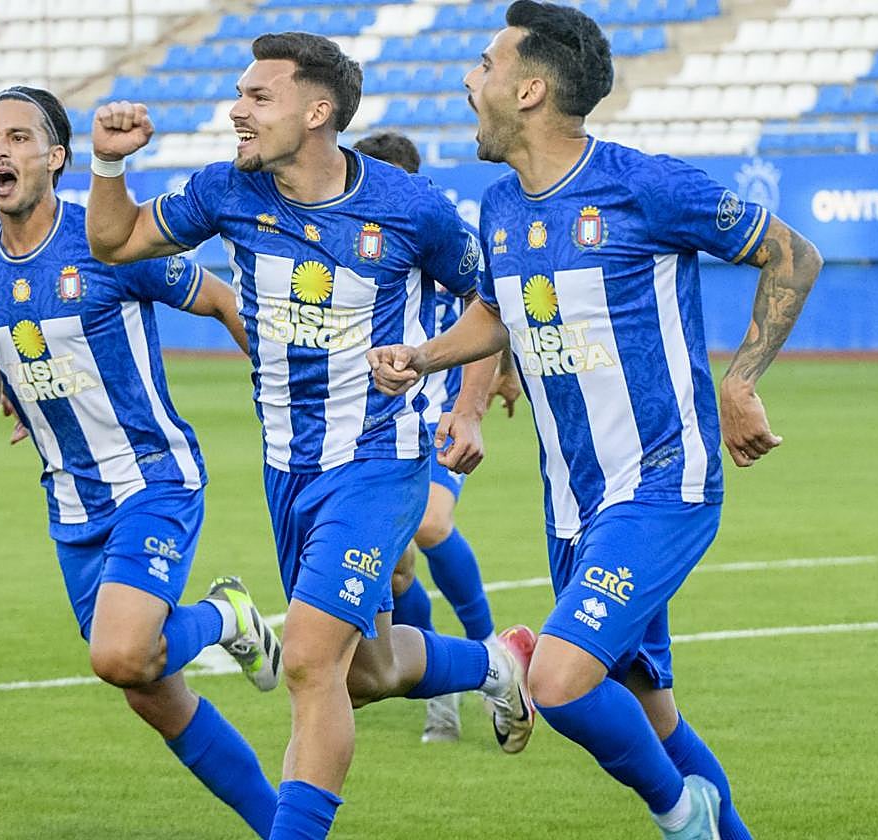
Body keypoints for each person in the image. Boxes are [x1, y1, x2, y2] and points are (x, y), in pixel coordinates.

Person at [367, 3, 823, 839]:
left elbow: (792, 254)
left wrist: (743, 380)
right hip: (575, 506)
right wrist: (426, 358)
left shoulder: (644, 184)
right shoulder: (501, 205)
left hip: (661, 485)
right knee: (654, 716)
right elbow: (498, 313)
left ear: (531, 89)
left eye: (486, 65)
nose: (472, 80)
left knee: (559, 681)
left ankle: (682, 814)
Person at [86, 32, 536, 839]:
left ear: (317, 111)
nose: (237, 109)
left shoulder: (407, 207)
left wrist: (456, 394)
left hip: (376, 463)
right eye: (240, 95)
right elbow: (115, 242)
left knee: (303, 661)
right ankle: (494, 663)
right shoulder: (228, 190)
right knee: (360, 672)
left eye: (259, 97)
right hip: (286, 468)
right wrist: (110, 167)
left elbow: (499, 299)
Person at [0, 85, 282, 838]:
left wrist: (280, 390)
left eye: (16, 138)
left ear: (55, 158)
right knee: (152, 692)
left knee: (118, 653)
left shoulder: (108, 242)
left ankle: (224, 615)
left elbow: (216, 299)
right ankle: (281, 827)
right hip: (71, 508)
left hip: (154, 480)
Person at [352, 129, 523, 743]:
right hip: (375, 423)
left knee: (430, 523)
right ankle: (450, 688)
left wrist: (492, 382)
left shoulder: (435, 229)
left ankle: (491, 650)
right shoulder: (354, 245)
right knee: (396, 573)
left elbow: (495, 309)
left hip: (439, 409)